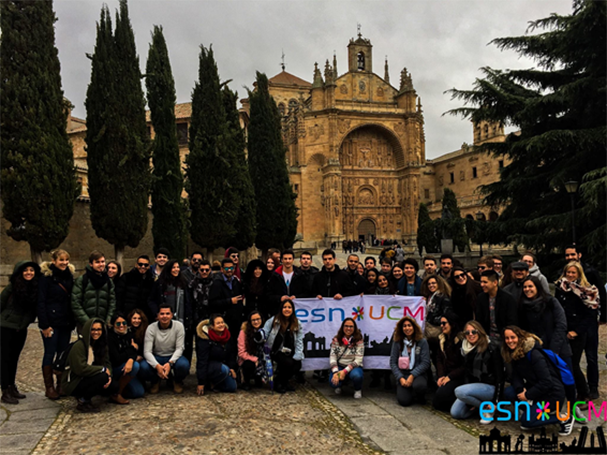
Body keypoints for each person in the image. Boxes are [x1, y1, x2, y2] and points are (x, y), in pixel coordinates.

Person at [501, 326, 573, 435]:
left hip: (552, 394)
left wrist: (528, 395)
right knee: (509, 392)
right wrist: (520, 390)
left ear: (520, 337)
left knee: (526, 421)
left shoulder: (534, 355)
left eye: (512, 337)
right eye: (507, 338)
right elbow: (516, 376)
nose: (510, 341)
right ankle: (532, 412)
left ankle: (564, 418)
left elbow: (546, 382)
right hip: (537, 390)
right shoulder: (515, 353)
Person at [555, 262, 599, 404]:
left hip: (578, 331)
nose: (570, 275)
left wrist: (577, 331)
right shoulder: (561, 287)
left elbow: (590, 315)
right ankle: (568, 390)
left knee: (573, 364)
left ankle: (584, 392)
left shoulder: (587, 290)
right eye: (568, 272)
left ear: (579, 274)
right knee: (563, 362)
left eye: (574, 273)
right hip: (563, 328)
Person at [564, 246, 605, 397]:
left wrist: (604, 317)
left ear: (579, 255)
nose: (569, 257)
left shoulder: (590, 272)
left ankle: (593, 386)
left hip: (589, 321)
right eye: (567, 255)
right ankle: (578, 386)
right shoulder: (564, 280)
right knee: (573, 358)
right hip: (573, 324)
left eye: (572, 254)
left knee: (591, 355)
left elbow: (601, 294)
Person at [0, 261, 40, 404]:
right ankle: (5, 390)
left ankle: (12, 386)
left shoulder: (35, 288)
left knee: (15, 358)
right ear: (19, 272)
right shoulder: (12, 287)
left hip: (21, 328)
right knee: (5, 359)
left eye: (31, 270)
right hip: (6, 327)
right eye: (25, 270)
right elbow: (0, 303)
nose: (29, 273)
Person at [38, 250, 75, 400]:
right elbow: (40, 302)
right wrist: (44, 325)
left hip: (65, 322)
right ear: (54, 261)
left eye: (66, 260)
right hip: (51, 323)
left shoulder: (69, 277)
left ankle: (61, 385)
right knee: (49, 353)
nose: (64, 263)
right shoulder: (46, 278)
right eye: (61, 260)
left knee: (62, 353)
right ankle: (49, 387)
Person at [61, 318, 118, 413]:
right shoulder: (79, 346)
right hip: (74, 381)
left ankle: (91, 394)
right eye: (93, 329)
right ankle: (83, 401)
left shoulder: (101, 345)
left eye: (99, 329)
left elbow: (107, 363)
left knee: (114, 386)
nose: (96, 332)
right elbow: (80, 368)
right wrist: (102, 369)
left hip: (90, 376)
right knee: (102, 377)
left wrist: (109, 376)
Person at [451, 321, 504, 423]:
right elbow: (467, 374)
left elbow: (500, 376)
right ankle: (479, 407)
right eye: (467, 332)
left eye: (474, 331)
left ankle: (489, 409)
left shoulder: (491, 348)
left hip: (489, 387)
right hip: (474, 387)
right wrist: (468, 401)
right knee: (456, 413)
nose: (471, 334)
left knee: (459, 391)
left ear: (479, 332)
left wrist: (496, 401)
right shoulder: (465, 349)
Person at [518, 276, 571, 364]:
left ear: (537, 287)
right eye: (525, 287)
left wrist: (554, 349)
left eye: (530, 286)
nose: (527, 289)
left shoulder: (551, 302)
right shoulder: (522, 306)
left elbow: (561, 325)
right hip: (537, 349)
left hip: (558, 348)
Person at [148, 259, 193, 363]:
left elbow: (188, 302)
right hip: (163, 319)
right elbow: (151, 300)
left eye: (178, 267)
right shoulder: (159, 283)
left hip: (181, 318)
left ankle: (180, 369)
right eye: (173, 267)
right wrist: (157, 313)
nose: (176, 269)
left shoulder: (183, 283)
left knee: (182, 345)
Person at [139, 305, 189, 394]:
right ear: (157, 316)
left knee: (184, 365)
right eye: (162, 314)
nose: (164, 316)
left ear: (172, 315)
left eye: (167, 313)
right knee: (143, 367)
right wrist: (157, 366)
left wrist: (170, 363)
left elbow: (180, 348)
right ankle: (155, 381)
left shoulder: (179, 326)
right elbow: (147, 351)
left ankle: (176, 381)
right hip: (157, 356)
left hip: (173, 356)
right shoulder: (151, 328)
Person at [262, 300, 304, 393]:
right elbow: (265, 331)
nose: (287, 309)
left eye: (289, 307)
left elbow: (299, 340)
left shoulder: (297, 323)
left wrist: (298, 354)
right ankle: (278, 382)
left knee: (297, 365)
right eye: (285, 307)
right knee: (287, 363)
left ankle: (285, 382)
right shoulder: (274, 320)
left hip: (290, 350)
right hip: (276, 350)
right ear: (281, 309)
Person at [390, 316, 430, 407]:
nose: (407, 328)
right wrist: (400, 377)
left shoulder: (422, 342)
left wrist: (412, 375)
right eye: (404, 326)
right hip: (403, 374)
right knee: (404, 401)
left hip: (417, 374)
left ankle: (419, 395)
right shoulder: (397, 342)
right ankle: (408, 392)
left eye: (409, 325)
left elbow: (425, 362)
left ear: (414, 327)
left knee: (419, 386)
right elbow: (393, 362)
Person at [71, 251, 116, 328]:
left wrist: (107, 320)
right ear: (91, 264)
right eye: (97, 262)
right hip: (85, 324)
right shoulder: (82, 280)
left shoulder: (108, 281)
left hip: (102, 323)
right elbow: (76, 303)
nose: (101, 264)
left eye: (102, 261)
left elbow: (112, 302)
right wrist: (88, 322)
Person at [195, 314, 238, 395]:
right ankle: (208, 382)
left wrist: (232, 367)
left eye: (222, 322)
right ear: (211, 326)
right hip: (211, 366)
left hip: (225, 365)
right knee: (224, 369)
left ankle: (215, 385)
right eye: (218, 323)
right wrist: (201, 382)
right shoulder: (205, 338)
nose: (221, 325)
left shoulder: (227, 335)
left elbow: (232, 354)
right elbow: (202, 361)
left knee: (232, 387)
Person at [432, 312, 465, 412]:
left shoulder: (461, 341)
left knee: (441, 398)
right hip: (446, 375)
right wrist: (441, 375)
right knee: (437, 402)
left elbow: (464, 365)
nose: (441, 326)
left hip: (458, 376)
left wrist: (450, 377)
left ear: (452, 323)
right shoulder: (442, 340)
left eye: (444, 323)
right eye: (441, 323)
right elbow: (438, 359)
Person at [108, 313, 144, 403]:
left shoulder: (129, 334)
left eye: (124, 323)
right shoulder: (109, 337)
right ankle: (116, 393)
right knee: (135, 366)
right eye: (118, 323)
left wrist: (131, 359)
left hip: (126, 367)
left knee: (138, 392)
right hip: (115, 368)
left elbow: (135, 353)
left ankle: (112, 390)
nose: (121, 326)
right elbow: (116, 358)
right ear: (113, 325)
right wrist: (131, 351)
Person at [475, 270, 518, 342]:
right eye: (481, 282)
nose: (482, 285)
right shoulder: (481, 298)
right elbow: (479, 319)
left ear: (495, 282)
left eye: (485, 282)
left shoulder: (508, 298)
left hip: (504, 337)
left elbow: (512, 321)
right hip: (487, 337)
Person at [209, 258, 244, 343]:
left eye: (231, 268)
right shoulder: (217, 283)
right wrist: (229, 301)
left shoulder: (236, 282)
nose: (229, 270)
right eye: (226, 268)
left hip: (236, 320)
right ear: (222, 269)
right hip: (223, 321)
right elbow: (212, 303)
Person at [267, 249, 309, 318]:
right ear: (281, 260)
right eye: (285, 259)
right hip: (279, 312)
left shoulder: (300, 275)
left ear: (293, 260)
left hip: (297, 312)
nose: (287, 261)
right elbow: (269, 295)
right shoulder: (275, 276)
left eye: (290, 258)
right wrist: (280, 298)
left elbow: (307, 293)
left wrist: (296, 297)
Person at [329, 318, 365, 399]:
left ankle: (357, 389)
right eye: (346, 326)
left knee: (357, 376)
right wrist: (336, 372)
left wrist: (344, 372)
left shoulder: (359, 340)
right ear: (342, 327)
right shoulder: (336, 340)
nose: (348, 328)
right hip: (340, 365)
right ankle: (340, 385)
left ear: (354, 328)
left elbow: (358, 360)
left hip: (354, 367)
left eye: (351, 326)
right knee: (333, 382)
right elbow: (332, 357)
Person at [116, 254, 155, 321]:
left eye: (145, 265)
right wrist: (119, 313)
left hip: (145, 316)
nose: (143, 266)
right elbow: (119, 296)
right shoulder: (126, 277)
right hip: (127, 314)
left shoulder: (151, 280)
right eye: (140, 264)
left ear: (149, 266)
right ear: (136, 265)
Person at [237, 311, 266, 390]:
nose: (256, 322)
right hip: (247, 358)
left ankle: (259, 377)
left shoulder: (265, 330)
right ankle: (246, 381)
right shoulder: (243, 332)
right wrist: (255, 359)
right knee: (249, 365)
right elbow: (241, 352)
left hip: (262, 357)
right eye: (253, 320)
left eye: (258, 319)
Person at [421, 275, 452, 343]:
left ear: (439, 284)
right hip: (428, 328)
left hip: (437, 328)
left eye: (433, 283)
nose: (431, 285)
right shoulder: (429, 297)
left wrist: (432, 320)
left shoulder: (443, 297)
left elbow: (446, 314)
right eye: (429, 284)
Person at [189, 259, 214, 327]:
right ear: (199, 270)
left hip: (212, 315)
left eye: (206, 270)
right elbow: (190, 301)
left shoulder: (215, 282)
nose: (204, 272)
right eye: (202, 270)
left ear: (210, 270)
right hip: (197, 315)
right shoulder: (193, 283)